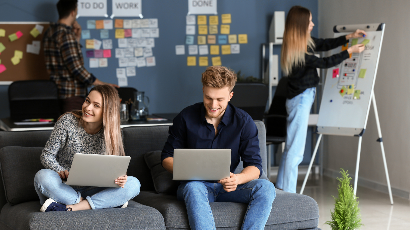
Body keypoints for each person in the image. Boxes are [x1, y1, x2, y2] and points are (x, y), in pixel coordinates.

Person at [161, 66, 276, 229]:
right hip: (197, 187)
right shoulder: (185, 117)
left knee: (266, 187)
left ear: (230, 96)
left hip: (229, 187)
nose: (213, 105)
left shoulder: (244, 122)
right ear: (203, 91)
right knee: (193, 187)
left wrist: (237, 179)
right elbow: (166, 158)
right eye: (208, 98)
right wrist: (190, 170)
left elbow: (255, 166)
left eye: (220, 99)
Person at [277, 5, 367, 193]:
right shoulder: (299, 50)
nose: (313, 24)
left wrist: (348, 37)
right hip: (300, 100)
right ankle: (289, 195)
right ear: (301, 24)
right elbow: (325, 62)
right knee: (296, 152)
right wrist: (350, 51)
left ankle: (282, 189)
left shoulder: (301, 42)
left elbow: (324, 44)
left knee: (291, 149)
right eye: (309, 21)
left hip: (299, 99)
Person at [34, 85, 140, 212]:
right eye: (87, 101)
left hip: (94, 188)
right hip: (64, 186)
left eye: (96, 105)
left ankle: (70, 208)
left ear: (107, 111)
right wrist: (60, 170)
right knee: (43, 177)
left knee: (133, 184)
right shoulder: (67, 121)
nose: (88, 108)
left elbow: (116, 169)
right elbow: (46, 155)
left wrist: (121, 178)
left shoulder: (113, 133)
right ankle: (102, 203)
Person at [43, 0, 118, 114]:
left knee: (63, 129)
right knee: (74, 130)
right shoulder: (66, 35)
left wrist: (76, 38)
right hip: (72, 95)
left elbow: (64, 59)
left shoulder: (50, 32)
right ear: (73, 12)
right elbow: (76, 68)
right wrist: (102, 84)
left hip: (56, 92)